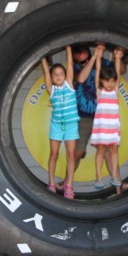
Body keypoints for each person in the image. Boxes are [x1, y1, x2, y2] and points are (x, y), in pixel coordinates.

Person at [73, 43, 128, 192]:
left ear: (88, 51)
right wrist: (94, 58)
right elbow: (81, 79)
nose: (84, 63)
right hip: (85, 117)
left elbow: (121, 71)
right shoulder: (76, 68)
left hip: (104, 120)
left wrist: (118, 55)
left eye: (86, 59)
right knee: (78, 151)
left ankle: (119, 185)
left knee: (110, 151)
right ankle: (66, 183)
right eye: (81, 62)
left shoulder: (106, 64)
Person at [41, 45, 79, 199]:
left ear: (65, 76)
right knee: (54, 154)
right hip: (56, 125)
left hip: (71, 125)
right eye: (54, 74)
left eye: (60, 74)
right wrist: (42, 57)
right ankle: (51, 183)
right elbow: (45, 71)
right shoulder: (51, 90)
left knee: (71, 155)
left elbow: (70, 65)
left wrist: (69, 46)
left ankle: (68, 185)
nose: (58, 76)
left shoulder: (69, 85)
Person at [92, 47, 124, 190]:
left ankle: (114, 176)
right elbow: (97, 72)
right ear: (102, 81)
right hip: (101, 128)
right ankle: (98, 177)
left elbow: (117, 72)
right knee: (100, 151)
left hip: (112, 128)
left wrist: (117, 58)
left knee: (114, 150)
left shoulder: (115, 91)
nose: (110, 84)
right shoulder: (100, 91)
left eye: (112, 81)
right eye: (107, 81)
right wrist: (99, 56)